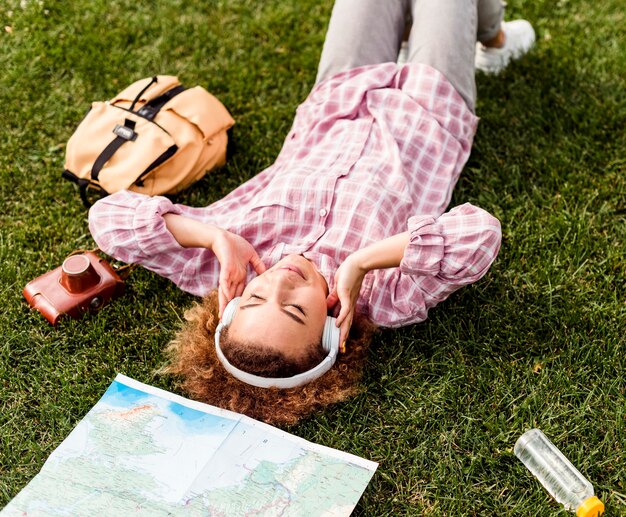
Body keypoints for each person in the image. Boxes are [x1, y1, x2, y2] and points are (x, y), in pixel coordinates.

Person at [89, 0, 535, 425]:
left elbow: (108, 218)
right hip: (432, 107)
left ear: (229, 306)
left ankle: (420, 39)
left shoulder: (224, 263)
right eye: (296, 311)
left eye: (256, 299)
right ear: (332, 335)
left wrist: (212, 237)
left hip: (339, 96)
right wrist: (362, 263)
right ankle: (492, 41)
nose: (280, 282)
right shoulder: (385, 298)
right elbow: (480, 234)